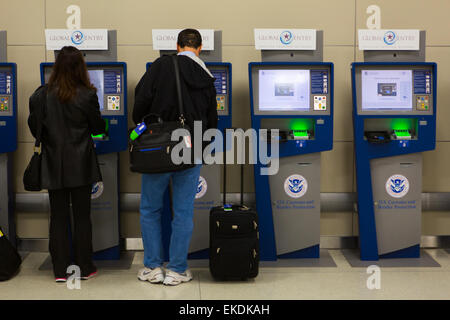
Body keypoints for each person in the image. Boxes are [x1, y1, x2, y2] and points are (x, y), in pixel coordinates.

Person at [133, 28, 218, 286]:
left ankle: (153, 267)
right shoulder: (206, 75)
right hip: (191, 150)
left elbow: (140, 103)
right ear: (199, 48)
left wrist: (147, 127)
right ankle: (178, 269)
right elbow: (212, 121)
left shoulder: (161, 66)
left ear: (178, 46)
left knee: (150, 209)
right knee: (183, 212)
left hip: (157, 150)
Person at [28, 46, 106, 282]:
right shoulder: (88, 94)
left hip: (52, 164)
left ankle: (60, 270)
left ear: (57, 66)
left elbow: (35, 128)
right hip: (81, 163)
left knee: (58, 217)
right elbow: (97, 128)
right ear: (80, 66)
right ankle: (85, 267)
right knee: (82, 217)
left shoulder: (42, 94)